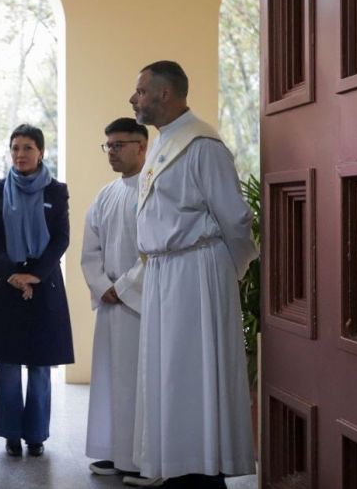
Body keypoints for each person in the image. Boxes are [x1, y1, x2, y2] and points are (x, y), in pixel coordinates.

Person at [129, 61, 257, 488]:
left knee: (194, 372)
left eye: (141, 91)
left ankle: (202, 470)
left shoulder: (203, 145)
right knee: (170, 374)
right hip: (166, 273)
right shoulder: (166, 142)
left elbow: (236, 220)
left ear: (165, 94)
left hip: (196, 273)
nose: (135, 99)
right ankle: (176, 464)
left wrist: (225, 274)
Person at [0, 124, 73, 459]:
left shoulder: (57, 191)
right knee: (9, 360)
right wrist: (15, 275)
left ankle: (36, 434)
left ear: (41, 152)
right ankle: (12, 434)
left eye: (27, 147)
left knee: (41, 361)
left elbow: (61, 238)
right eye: (15, 148)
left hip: (44, 283)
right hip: (6, 281)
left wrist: (35, 275)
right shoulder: (1, 189)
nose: (20, 154)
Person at [80, 118, 148, 478]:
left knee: (137, 383)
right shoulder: (106, 194)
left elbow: (156, 253)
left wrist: (123, 288)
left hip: (141, 307)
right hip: (110, 305)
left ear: (142, 145)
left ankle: (139, 458)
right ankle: (113, 451)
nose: (112, 153)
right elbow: (90, 248)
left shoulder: (155, 191)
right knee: (110, 382)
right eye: (108, 145)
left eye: (119, 145)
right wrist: (100, 284)